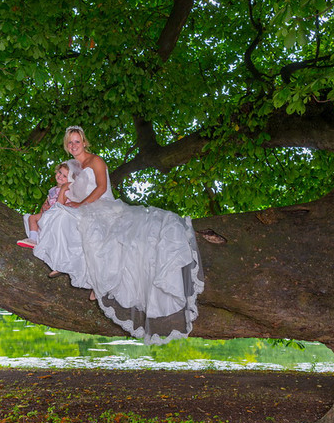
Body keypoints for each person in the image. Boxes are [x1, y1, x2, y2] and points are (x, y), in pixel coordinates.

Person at [25, 125, 205, 345]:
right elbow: (64, 189)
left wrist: (81, 204)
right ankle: (62, 262)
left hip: (102, 206)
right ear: (66, 145)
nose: (74, 146)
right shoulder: (71, 167)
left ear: (84, 142)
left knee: (99, 233)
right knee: (64, 218)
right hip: (84, 207)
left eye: (77, 141)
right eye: (70, 142)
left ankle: (97, 283)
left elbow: (101, 188)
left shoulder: (95, 161)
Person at [17, 162, 72, 248]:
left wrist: (50, 208)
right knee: (31, 218)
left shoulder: (66, 191)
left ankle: (33, 239)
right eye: (60, 172)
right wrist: (44, 207)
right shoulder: (52, 190)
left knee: (33, 218)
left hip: (57, 216)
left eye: (65, 176)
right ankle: (34, 238)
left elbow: (60, 206)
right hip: (47, 213)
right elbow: (46, 203)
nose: (60, 176)